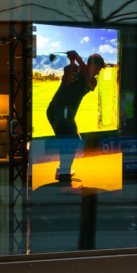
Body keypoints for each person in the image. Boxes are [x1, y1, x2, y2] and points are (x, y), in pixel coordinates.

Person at [46, 51, 107, 181]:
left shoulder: (92, 81)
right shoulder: (71, 68)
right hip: (58, 110)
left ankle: (63, 170)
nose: (98, 73)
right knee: (69, 142)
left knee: (72, 140)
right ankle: (64, 174)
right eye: (98, 69)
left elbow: (88, 78)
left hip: (65, 113)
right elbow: (65, 82)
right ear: (94, 66)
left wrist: (78, 60)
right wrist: (73, 61)